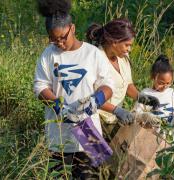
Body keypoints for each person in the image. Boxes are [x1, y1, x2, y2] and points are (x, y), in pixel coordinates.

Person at [34, 0, 114, 179]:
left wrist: (96, 101)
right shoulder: (48, 54)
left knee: (90, 177)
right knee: (58, 176)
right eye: (54, 39)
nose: (59, 43)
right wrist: (58, 107)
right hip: (58, 134)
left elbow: (108, 86)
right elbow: (40, 86)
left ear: (73, 28)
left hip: (89, 131)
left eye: (63, 37)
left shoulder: (93, 53)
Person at [86, 18, 160, 126]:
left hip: (115, 119)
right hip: (96, 119)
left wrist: (141, 97)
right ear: (114, 42)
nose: (129, 49)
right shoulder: (95, 59)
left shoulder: (123, 58)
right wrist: (116, 110)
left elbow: (126, 84)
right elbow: (91, 98)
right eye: (127, 45)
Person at [134, 55, 174, 128]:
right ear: (153, 77)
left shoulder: (173, 93)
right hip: (148, 135)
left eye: (168, 83)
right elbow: (136, 114)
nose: (165, 86)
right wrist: (145, 116)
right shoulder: (146, 93)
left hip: (168, 136)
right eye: (161, 83)